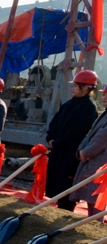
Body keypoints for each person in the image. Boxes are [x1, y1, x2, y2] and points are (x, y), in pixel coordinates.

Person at [46, 70, 99, 210]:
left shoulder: (89, 108)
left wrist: (58, 142)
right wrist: (50, 137)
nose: (73, 88)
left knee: (66, 187)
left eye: (76, 85)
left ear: (86, 88)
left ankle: (66, 210)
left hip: (71, 155)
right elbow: (55, 123)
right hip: (59, 151)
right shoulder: (68, 104)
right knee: (55, 184)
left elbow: (77, 132)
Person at [69, 73, 107, 215]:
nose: (104, 97)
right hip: (92, 160)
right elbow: (90, 133)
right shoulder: (104, 114)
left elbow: (102, 138)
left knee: (97, 200)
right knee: (90, 198)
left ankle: (95, 224)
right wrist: (81, 149)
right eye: (104, 95)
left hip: (100, 162)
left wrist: (86, 152)